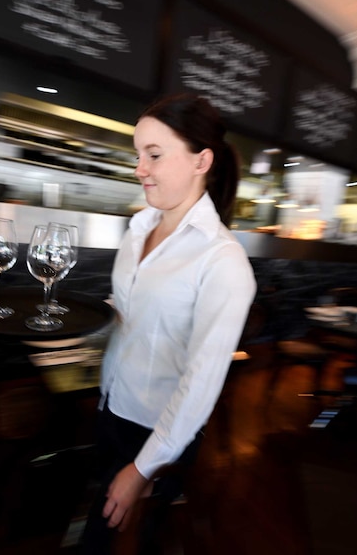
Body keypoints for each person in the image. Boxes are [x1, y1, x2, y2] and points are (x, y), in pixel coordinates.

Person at [80, 93, 257, 553]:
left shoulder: (223, 261)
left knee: (130, 542)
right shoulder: (138, 228)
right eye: (139, 155)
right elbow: (130, 312)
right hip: (111, 405)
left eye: (154, 155)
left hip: (157, 434)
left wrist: (142, 469)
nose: (140, 169)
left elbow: (202, 383)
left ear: (202, 160)